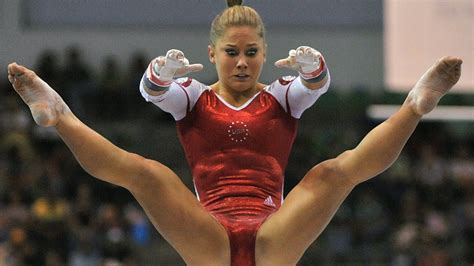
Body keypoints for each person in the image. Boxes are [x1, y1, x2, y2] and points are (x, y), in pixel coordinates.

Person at [7, 0, 462, 264]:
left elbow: (314, 86)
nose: (241, 61)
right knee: (148, 174)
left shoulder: (283, 95)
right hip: (208, 235)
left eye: (250, 52)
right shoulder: (193, 96)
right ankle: (58, 115)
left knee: (331, 174)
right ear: (213, 52)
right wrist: (160, 72)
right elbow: (152, 91)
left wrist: (314, 67)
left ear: (265, 53)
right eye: (230, 52)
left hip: (272, 236)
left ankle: (415, 106)